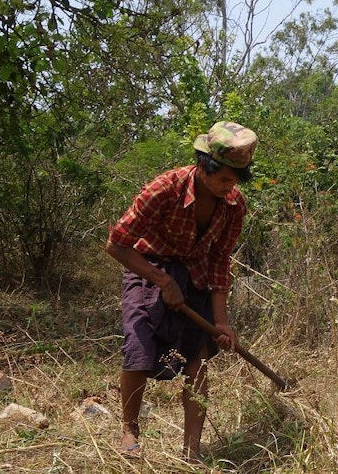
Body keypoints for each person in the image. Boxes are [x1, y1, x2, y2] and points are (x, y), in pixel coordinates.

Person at [105, 121, 257, 461]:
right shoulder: (164, 189)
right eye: (223, 179)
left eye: (235, 180)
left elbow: (219, 261)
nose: (228, 187)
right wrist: (162, 280)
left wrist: (222, 322)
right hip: (147, 269)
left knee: (197, 359)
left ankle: (192, 450)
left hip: (197, 277)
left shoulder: (235, 204)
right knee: (138, 347)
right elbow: (117, 244)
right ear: (204, 165)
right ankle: (130, 428)